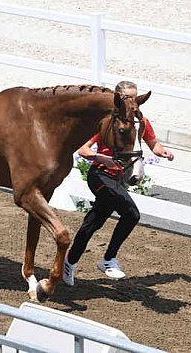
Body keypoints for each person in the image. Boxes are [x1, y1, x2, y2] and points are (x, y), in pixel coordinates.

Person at [63, 81, 174, 286]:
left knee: (94, 222)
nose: (133, 102)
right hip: (100, 175)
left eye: (135, 97)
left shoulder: (140, 122)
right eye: (128, 98)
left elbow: (152, 143)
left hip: (118, 179)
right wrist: (101, 158)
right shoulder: (107, 121)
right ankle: (108, 259)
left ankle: (69, 261)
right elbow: (83, 150)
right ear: (118, 98)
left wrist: (162, 152)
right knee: (131, 214)